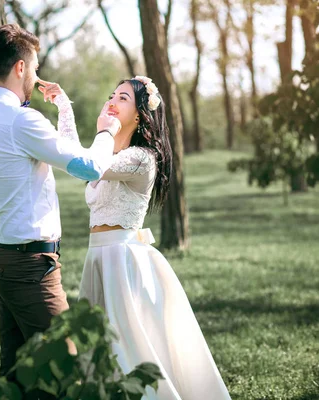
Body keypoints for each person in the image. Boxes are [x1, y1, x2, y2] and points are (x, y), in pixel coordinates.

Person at [0, 23, 121, 389]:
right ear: (19, 67)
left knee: (18, 380)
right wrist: (107, 130)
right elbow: (88, 166)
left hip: (2, 261)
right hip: (31, 268)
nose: (35, 76)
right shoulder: (21, 121)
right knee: (68, 374)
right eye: (34, 67)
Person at [79, 76, 232, 400]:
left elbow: (90, 168)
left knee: (129, 344)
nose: (112, 101)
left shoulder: (141, 158)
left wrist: (104, 131)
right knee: (99, 346)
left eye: (122, 98)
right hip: (97, 259)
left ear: (139, 114)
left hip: (122, 261)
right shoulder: (111, 152)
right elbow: (78, 160)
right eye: (111, 94)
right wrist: (64, 106)